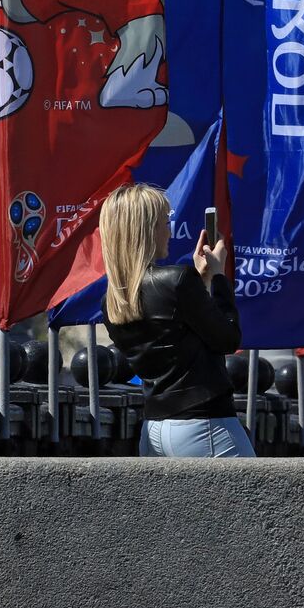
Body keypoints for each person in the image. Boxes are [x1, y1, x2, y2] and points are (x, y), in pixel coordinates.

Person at [100, 184, 254, 458]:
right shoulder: (176, 280)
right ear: (146, 230)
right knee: (258, 499)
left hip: (154, 429)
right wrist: (218, 276)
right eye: (164, 220)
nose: (169, 229)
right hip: (204, 424)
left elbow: (174, 339)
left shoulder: (114, 300)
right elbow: (228, 339)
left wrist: (200, 280)